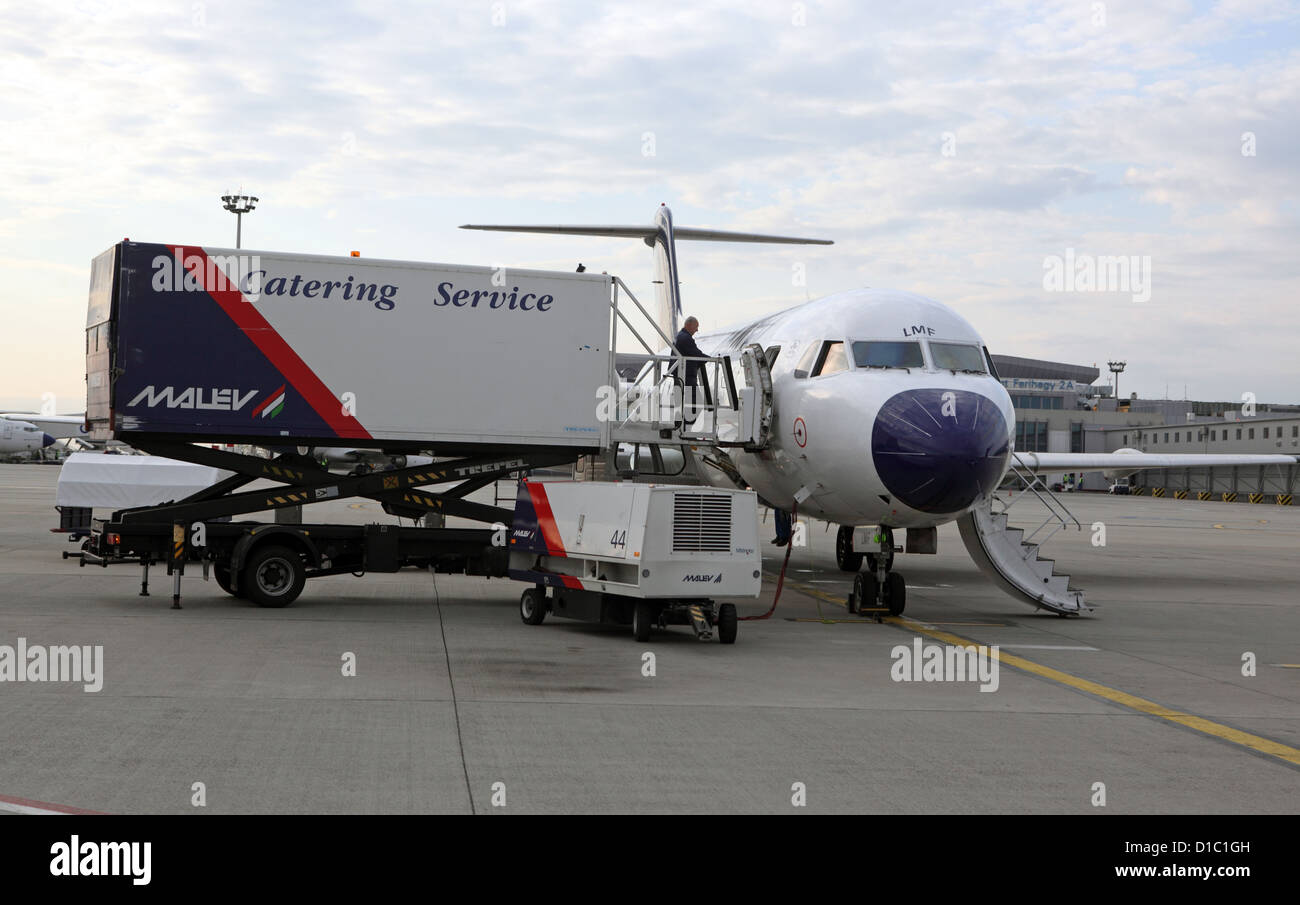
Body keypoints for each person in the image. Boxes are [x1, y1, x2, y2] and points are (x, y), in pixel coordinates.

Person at [674, 316, 705, 422]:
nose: (697, 330)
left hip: (683, 376)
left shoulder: (681, 336)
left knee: (690, 404)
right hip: (686, 377)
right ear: (688, 325)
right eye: (696, 327)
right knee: (696, 403)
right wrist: (710, 359)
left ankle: (685, 427)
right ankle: (686, 427)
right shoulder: (685, 338)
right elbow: (696, 353)